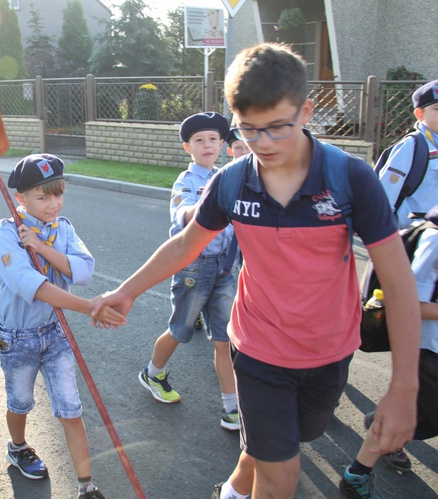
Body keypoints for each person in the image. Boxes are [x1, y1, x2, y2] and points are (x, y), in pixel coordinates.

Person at [93, 43, 421, 499]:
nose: (263, 144)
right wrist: (127, 291)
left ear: (306, 111)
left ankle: (231, 490)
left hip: (330, 352)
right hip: (260, 351)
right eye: (248, 130)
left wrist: (404, 387)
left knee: (281, 443)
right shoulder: (230, 181)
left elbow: (399, 282)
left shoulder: (350, 178)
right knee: (281, 476)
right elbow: (187, 244)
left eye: (277, 128)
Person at [0, 154, 122, 499]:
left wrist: (43, 248)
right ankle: (18, 447)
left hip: (54, 333)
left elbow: (83, 270)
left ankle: (86, 486)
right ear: (21, 199)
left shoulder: (63, 229)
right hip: (17, 337)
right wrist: (89, 307)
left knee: (71, 407)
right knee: (20, 402)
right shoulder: (7, 234)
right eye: (42, 196)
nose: (54, 203)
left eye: (58, 193)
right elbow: (31, 286)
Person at [138, 112, 241, 429]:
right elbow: (182, 213)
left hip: (225, 267)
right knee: (181, 330)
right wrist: (207, 204)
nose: (207, 145)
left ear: (222, 144)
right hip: (194, 268)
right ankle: (152, 374)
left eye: (213, 139)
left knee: (223, 339)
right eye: (199, 140)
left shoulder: (228, 176)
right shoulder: (187, 181)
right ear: (188, 147)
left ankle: (231, 406)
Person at [340, 203, 438, 498]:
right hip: (428, 348)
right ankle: (357, 474)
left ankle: (383, 427)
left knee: (414, 416)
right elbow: (407, 299)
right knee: (406, 413)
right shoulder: (434, 239)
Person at [378, 79, 438, 229]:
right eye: (437, 109)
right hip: (413, 235)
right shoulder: (412, 147)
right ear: (420, 114)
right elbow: (384, 196)